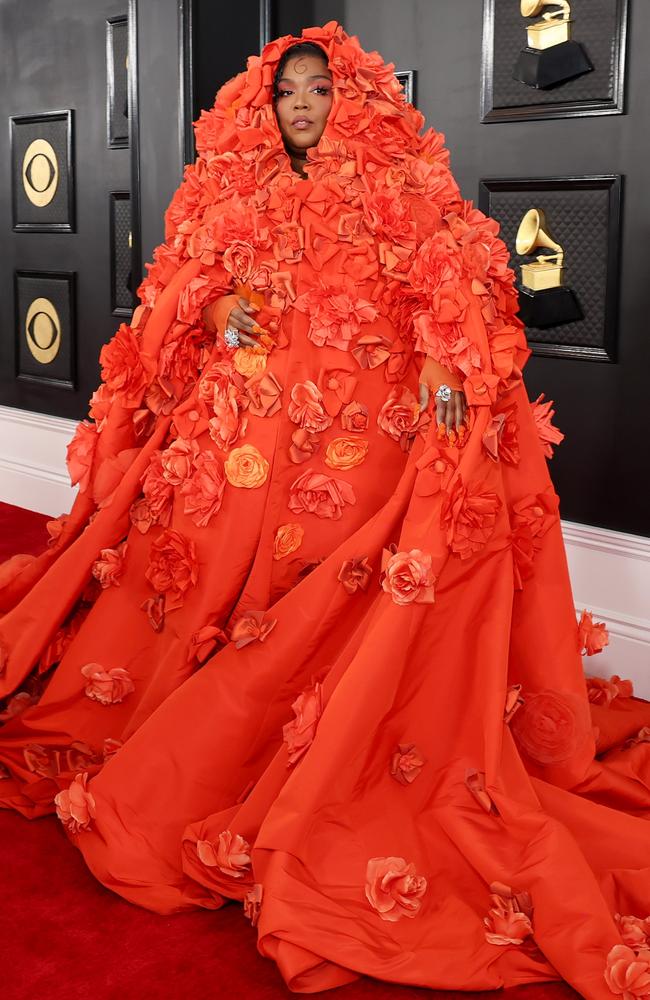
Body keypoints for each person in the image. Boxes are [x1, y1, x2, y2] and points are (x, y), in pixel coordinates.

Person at [0, 21, 649, 999]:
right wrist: (218, 311)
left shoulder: (401, 189)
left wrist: (442, 358)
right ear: (267, 107)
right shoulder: (233, 187)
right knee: (187, 556)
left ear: (350, 99)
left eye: (318, 91)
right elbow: (182, 282)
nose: (302, 107)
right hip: (248, 422)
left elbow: (463, 265)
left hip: (351, 425)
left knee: (351, 553)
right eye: (287, 94)